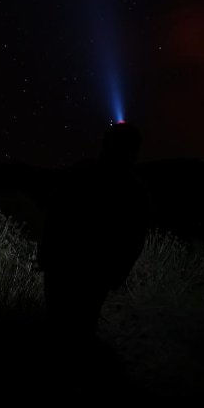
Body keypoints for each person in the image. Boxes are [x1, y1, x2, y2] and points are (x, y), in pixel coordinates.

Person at [38, 122, 151, 343]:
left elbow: (54, 216)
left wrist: (46, 255)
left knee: (58, 328)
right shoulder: (134, 191)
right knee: (80, 330)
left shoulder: (79, 174)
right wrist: (117, 274)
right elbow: (134, 239)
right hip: (90, 274)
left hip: (63, 267)